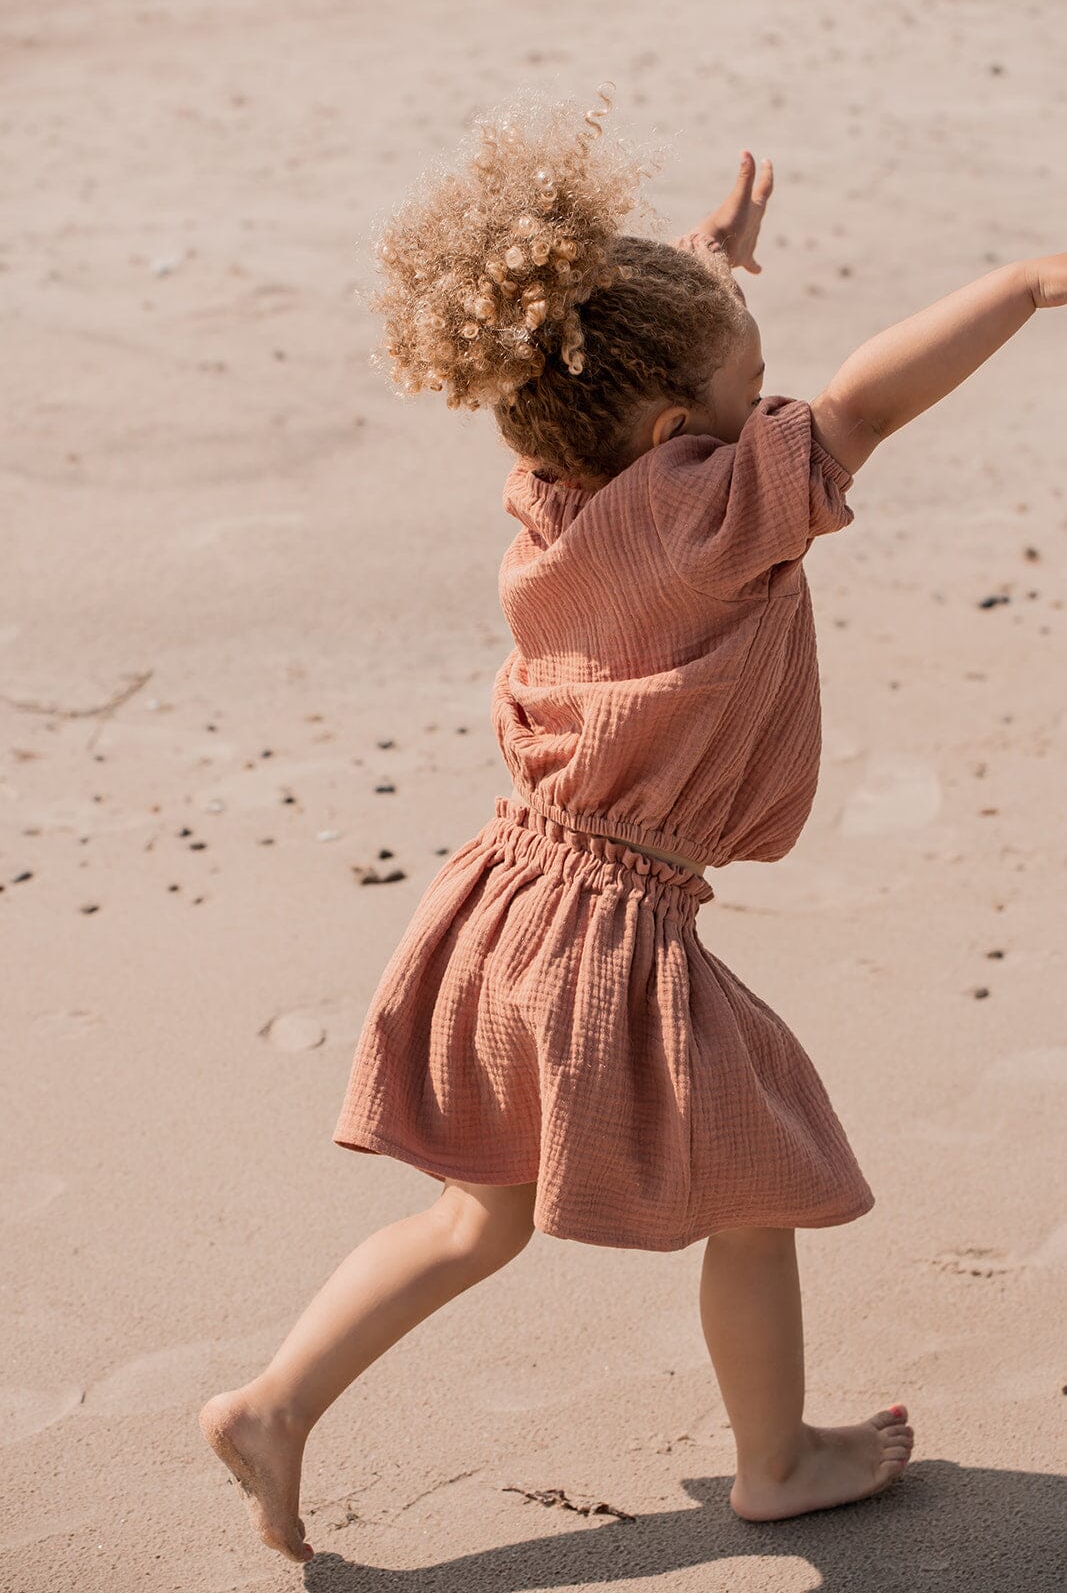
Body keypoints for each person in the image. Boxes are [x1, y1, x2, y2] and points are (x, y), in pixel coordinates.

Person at [199, 82, 1065, 1563]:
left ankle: (277, 1401)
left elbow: (599, 366)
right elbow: (865, 402)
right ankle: (778, 1459)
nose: (768, 417)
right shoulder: (712, 522)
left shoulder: (556, 494)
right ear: (678, 433)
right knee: (763, 1177)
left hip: (499, 901)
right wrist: (1035, 279)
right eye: (747, 393)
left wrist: (700, 261)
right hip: (609, 931)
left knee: (479, 1221)